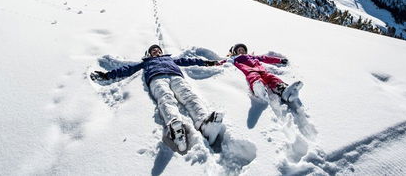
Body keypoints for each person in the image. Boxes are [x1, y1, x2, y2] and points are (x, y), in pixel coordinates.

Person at [90, 44, 223, 152]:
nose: (156, 51)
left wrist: (207, 63)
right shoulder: (145, 62)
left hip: (175, 76)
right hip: (157, 78)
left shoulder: (170, 59)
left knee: (189, 96)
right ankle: (176, 128)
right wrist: (107, 75)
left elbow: (188, 61)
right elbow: (127, 69)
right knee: (166, 98)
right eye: (153, 50)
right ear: (149, 54)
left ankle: (204, 123)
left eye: (158, 50)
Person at [219, 43, 303, 103]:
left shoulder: (253, 57)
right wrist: (212, 63)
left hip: (262, 71)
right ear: (235, 52)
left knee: (271, 77)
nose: (242, 51)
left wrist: (279, 60)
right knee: (254, 77)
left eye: (243, 50)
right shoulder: (234, 58)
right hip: (249, 71)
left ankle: (283, 90)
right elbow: (224, 61)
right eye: (239, 50)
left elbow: (265, 58)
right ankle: (258, 89)